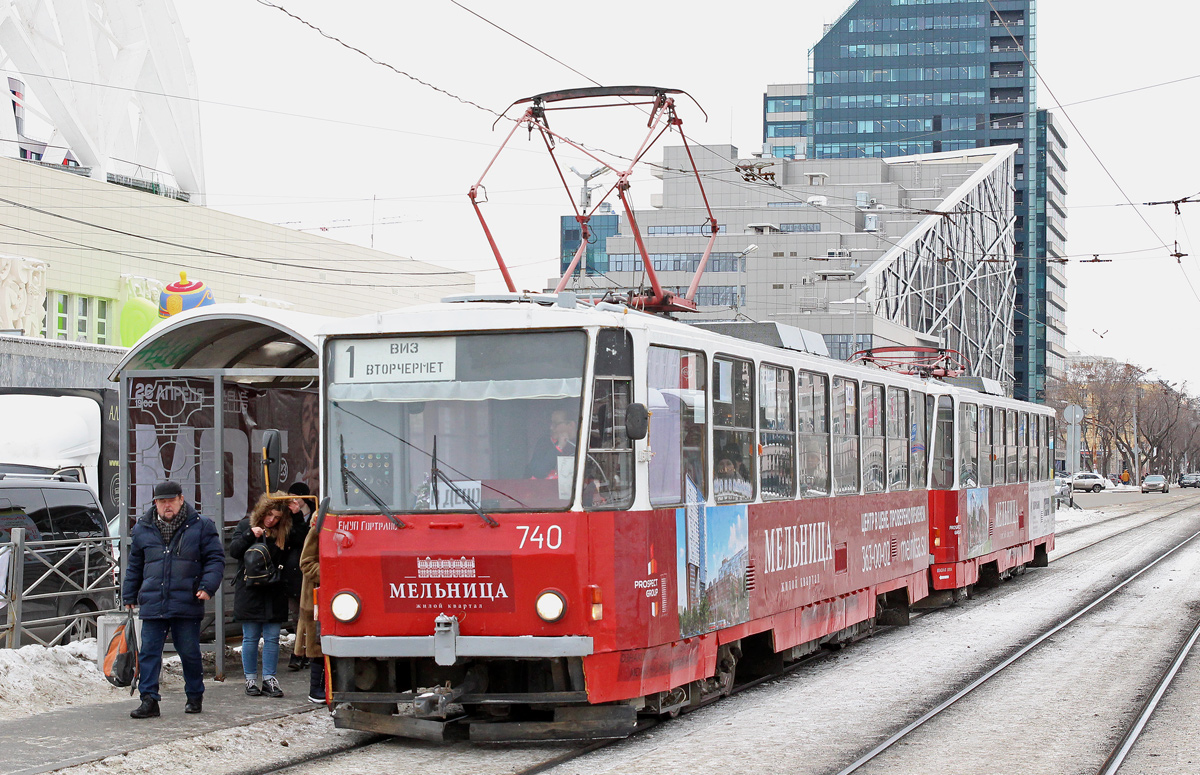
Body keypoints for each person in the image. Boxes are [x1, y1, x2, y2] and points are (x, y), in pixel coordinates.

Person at [122, 481, 225, 719]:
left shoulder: (201, 526)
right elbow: (135, 565)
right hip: (153, 600)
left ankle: (194, 695)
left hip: (186, 600)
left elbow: (215, 559)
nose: (166, 506)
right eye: (161, 501)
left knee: (188, 652)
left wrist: (208, 587)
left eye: (170, 500)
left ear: (181, 499)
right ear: (155, 503)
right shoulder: (142, 528)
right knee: (149, 652)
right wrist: (128, 593)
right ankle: (149, 699)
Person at [229, 493, 299, 698]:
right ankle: (250, 679)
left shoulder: (284, 532)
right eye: (269, 514)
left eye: (277, 517)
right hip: (249, 590)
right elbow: (234, 551)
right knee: (250, 638)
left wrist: (297, 515)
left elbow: (300, 539)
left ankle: (269, 679)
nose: (271, 520)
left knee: (272, 638)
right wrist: (250, 535)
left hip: (273, 590)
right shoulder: (245, 526)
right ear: (261, 511)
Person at [296, 506, 326, 703]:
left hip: (332, 595)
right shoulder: (315, 532)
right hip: (315, 598)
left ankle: (324, 688)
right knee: (316, 644)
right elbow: (305, 562)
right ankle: (315, 690)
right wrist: (330, 572)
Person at [284, 482, 313, 671]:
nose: (293, 501)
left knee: (310, 614)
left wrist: (297, 517)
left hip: (310, 572)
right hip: (294, 573)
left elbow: (305, 538)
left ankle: (309, 651)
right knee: (296, 615)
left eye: (296, 497)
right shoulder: (287, 517)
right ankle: (298, 652)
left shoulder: (314, 515)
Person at [525, 408, 577, 479]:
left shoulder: (582, 446)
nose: (551, 427)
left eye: (556, 424)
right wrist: (559, 448)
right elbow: (537, 472)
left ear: (571, 424)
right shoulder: (544, 442)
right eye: (551, 423)